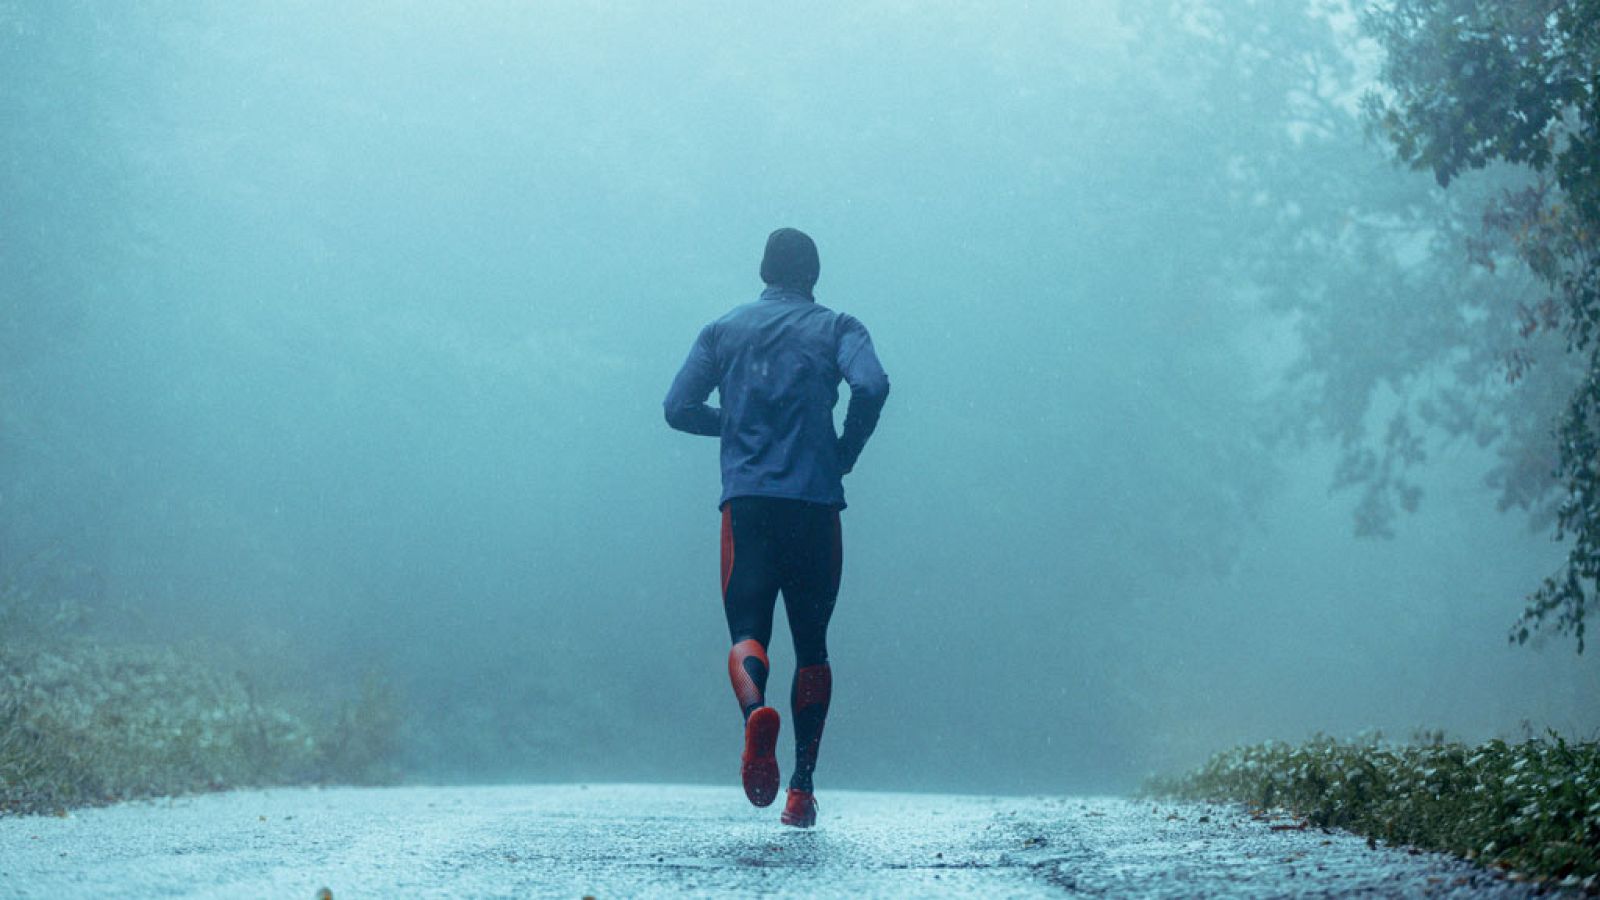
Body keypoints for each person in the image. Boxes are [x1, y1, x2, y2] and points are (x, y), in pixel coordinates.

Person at [663, 227, 889, 828]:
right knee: (812, 645)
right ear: (813, 275)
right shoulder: (839, 327)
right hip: (815, 505)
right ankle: (802, 790)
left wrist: (737, 423)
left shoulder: (723, 330)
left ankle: (756, 713)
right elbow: (871, 384)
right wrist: (844, 446)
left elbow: (676, 407)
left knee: (747, 631)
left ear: (763, 272)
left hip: (749, 506)